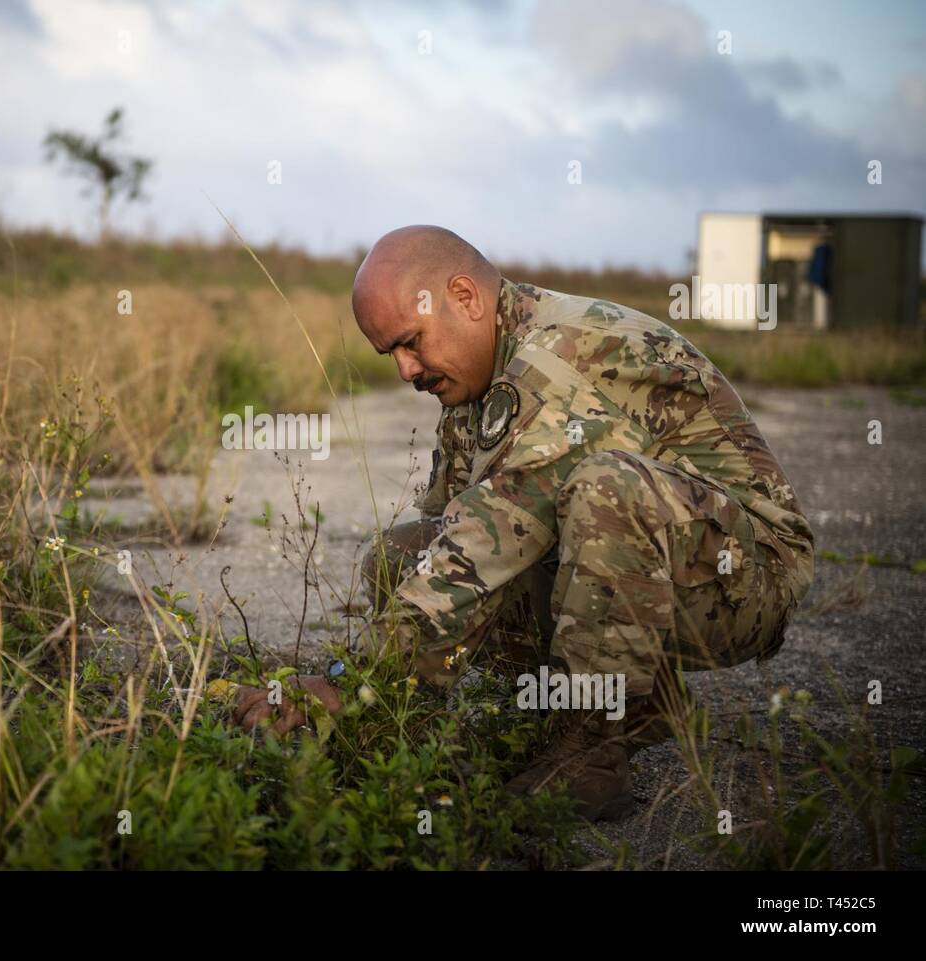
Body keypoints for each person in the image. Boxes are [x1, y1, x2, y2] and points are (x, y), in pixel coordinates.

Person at [231, 225, 813, 821]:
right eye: (392, 355)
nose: (406, 370)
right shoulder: (475, 385)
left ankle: (591, 747)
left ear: (465, 297)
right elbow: (449, 542)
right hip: (658, 567)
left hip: (747, 572)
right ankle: (642, 705)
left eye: (410, 342)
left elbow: (488, 539)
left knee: (605, 490)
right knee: (403, 554)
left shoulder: (559, 353)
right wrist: (386, 695)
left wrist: (346, 682)